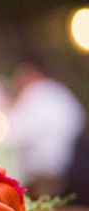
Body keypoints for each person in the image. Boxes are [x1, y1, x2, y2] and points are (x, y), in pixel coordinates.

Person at [10, 64, 86, 195]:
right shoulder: (59, 91)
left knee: (39, 204)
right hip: (65, 162)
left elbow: (19, 131)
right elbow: (79, 120)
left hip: (40, 165)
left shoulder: (34, 93)